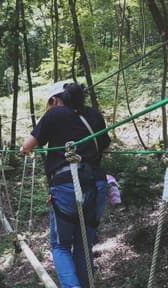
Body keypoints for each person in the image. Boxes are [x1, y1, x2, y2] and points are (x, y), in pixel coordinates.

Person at [20, 81, 111, 288]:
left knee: (60, 246)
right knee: (84, 245)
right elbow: (106, 148)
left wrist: (23, 150)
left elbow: (27, 146)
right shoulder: (94, 115)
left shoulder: (54, 114)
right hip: (96, 184)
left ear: (54, 100)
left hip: (67, 186)